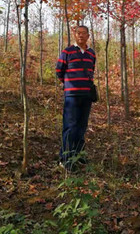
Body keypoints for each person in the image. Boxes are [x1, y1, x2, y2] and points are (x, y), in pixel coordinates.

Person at [56, 25, 96, 171]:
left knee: (81, 126)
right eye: (78, 33)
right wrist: (69, 85)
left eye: (84, 33)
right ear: (75, 35)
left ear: (88, 36)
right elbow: (59, 71)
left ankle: (78, 155)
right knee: (70, 127)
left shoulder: (91, 53)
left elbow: (92, 71)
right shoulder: (67, 52)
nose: (81, 36)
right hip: (71, 96)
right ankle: (65, 158)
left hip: (86, 96)